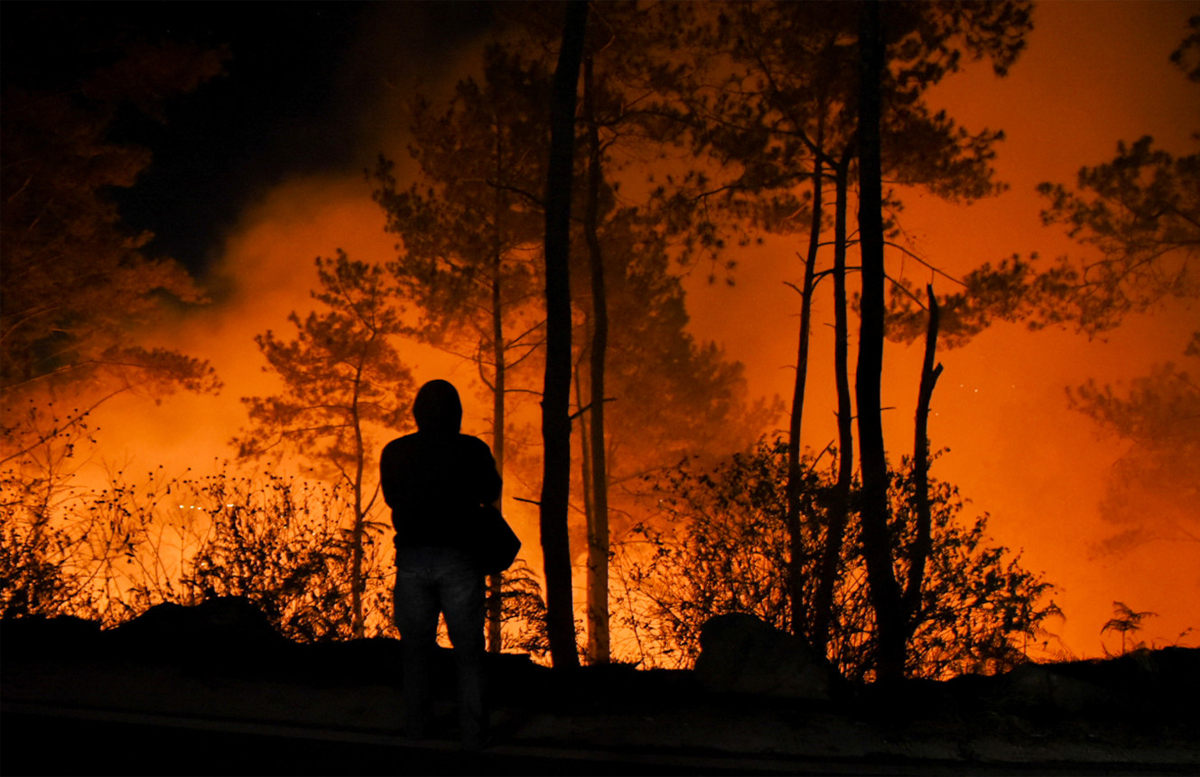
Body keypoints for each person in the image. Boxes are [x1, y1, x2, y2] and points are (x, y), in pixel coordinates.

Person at [380, 379, 501, 750]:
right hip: (460, 558)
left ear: (417, 412)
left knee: (415, 650)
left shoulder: (396, 451)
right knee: (467, 651)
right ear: (457, 413)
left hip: (413, 558)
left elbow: (391, 497)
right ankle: (473, 733)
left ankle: (417, 728)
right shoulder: (472, 449)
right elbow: (490, 492)